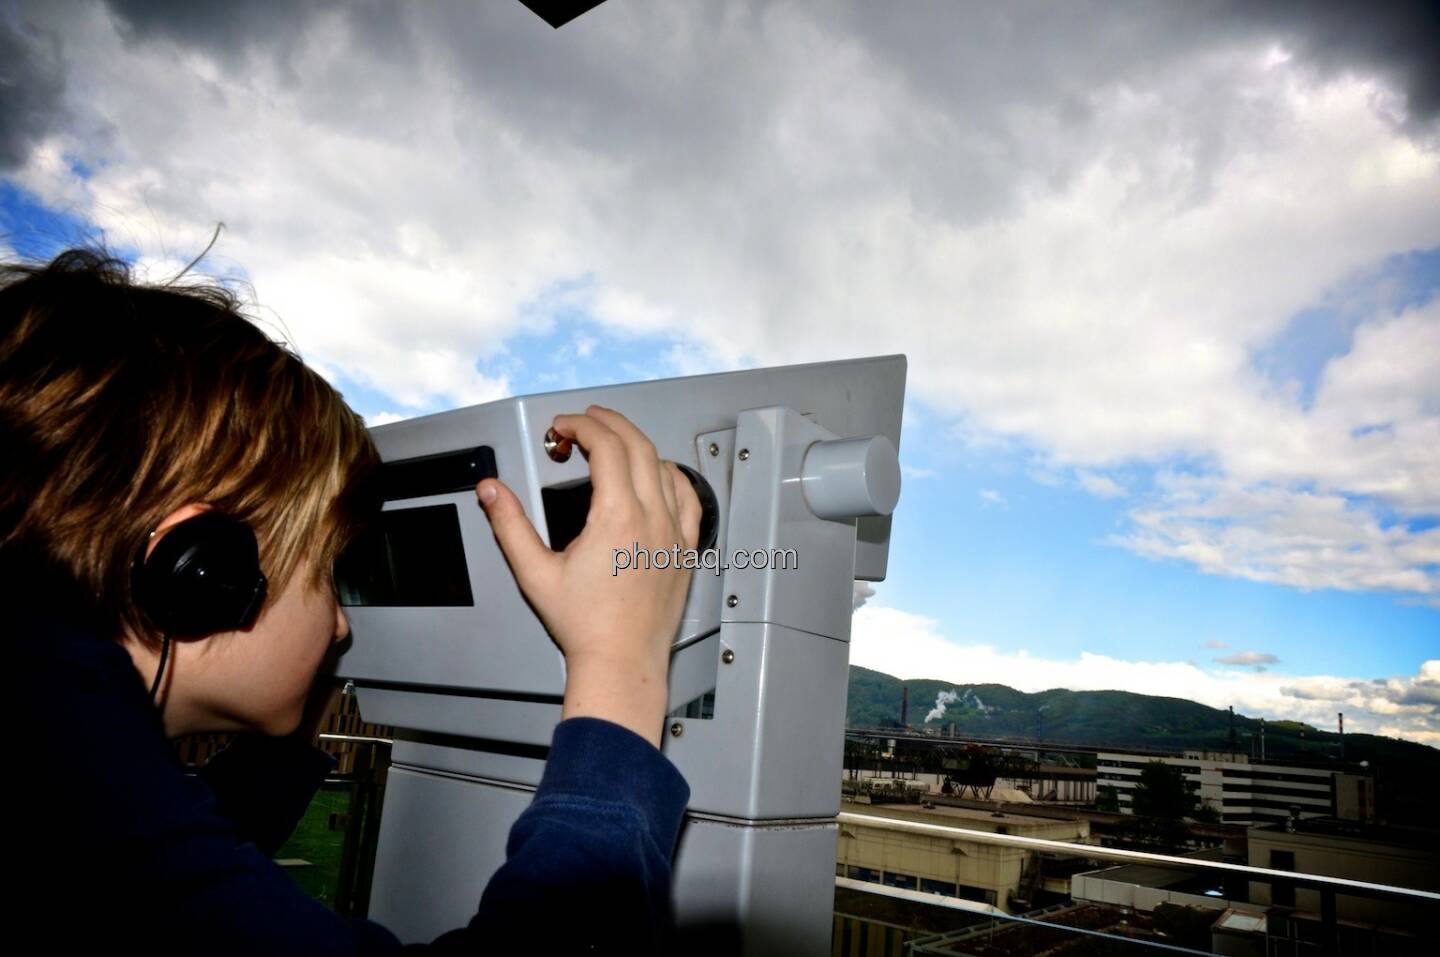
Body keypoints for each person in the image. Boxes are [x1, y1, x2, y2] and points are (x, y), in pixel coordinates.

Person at [1, 249, 702, 954]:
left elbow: (183, 873)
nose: (341, 624)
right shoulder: (67, 785)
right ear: (201, 571)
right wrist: (620, 662)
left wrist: (286, 713)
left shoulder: (49, 730)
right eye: (328, 570)